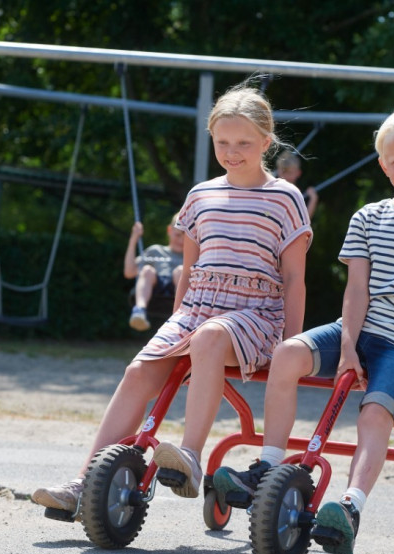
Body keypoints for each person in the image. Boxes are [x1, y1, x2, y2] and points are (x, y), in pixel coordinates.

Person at [31, 81, 312, 514]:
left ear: (266, 142)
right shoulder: (200, 196)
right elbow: (191, 270)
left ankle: (192, 458)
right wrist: (175, 321)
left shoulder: (285, 198)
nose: (232, 151)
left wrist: (291, 344)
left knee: (208, 339)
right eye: (223, 142)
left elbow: (294, 278)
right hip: (199, 309)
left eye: (243, 142)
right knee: (137, 372)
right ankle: (84, 483)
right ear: (212, 138)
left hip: (256, 314)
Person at [214, 108, 394, 554]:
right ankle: (268, 466)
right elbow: (356, 290)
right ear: (383, 166)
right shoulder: (369, 218)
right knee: (288, 354)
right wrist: (349, 346)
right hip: (354, 330)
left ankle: (349, 507)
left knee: (375, 413)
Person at [125, 215, 184, 332]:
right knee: (147, 270)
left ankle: (181, 315)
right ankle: (139, 310)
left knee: (181, 271)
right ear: (169, 230)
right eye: (177, 235)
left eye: (185, 237)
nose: (181, 241)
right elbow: (129, 272)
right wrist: (133, 239)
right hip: (155, 287)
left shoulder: (191, 256)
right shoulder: (156, 250)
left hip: (179, 287)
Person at [276, 150, 319, 219]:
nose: (286, 176)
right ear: (278, 171)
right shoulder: (272, 190)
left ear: (298, 173)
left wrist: (313, 199)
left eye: (290, 173)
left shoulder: (297, 195)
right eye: (284, 173)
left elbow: (303, 222)